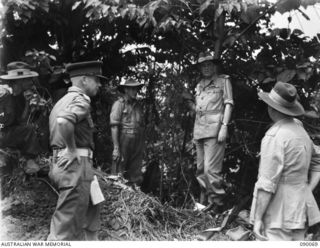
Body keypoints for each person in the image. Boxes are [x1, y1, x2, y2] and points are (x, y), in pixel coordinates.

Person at [250, 81, 320, 241]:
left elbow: (267, 183)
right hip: (301, 207)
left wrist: (258, 218)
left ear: (271, 108)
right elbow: (318, 161)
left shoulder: (274, 136)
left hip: (278, 212)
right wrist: (307, 188)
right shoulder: (300, 129)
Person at [48, 61, 105, 240]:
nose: (99, 84)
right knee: (65, 228)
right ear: (85, 80)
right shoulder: (81, 99)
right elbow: (64, 122)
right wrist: (72, 149)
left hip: (75, 166)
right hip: (75, 166)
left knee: (93, 209)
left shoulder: (61, 102)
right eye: (96, 80)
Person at [184, 51, 233, 212]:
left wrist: (224, 126)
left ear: (214, 66)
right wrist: (189, 102)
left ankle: (217, 205)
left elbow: (228, 104)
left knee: (211, 170)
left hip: (214, 130)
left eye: (209, 65)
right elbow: (198, 109)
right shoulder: (199, 85)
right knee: (200, 170)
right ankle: (207, 204)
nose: (205, 68)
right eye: (202, 65)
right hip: (199, 131)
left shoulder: (223, 81)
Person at [0, 61, 47, 174]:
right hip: (2, 133)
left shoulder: (20, 96)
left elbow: (22, 122)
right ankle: (30, 161)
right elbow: (5, 121)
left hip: (8, 132)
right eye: (28, 79)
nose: (31, 83)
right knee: (29, 130)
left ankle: (30, 160)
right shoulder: (4, 95)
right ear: (19, 81)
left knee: (31, 128)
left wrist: (27, 104)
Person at [110, 78, 145, 186]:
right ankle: (116, 195)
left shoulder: (138, 106)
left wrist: (143, 147)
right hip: (124, 138)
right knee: (119, 171)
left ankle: (134, 195)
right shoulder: (119, 104)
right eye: (132, 89)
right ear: (126, 90)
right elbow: (114, 126)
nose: (135, 92)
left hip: (137, 140)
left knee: (135, 171)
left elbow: (141, 126)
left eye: (136, 89)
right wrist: (116, 148)